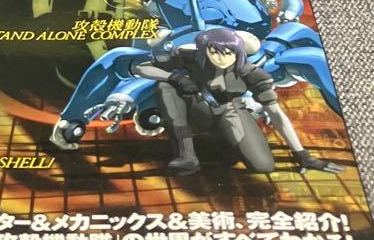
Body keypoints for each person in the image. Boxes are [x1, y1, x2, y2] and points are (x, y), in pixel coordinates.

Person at [138, 27, 345, 175]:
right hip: (195, 110)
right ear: (204, 50)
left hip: (230, 111)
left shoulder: (251, 73)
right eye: (214, 52)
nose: (220, 57)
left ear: (238, 52)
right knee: (165, 86)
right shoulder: (189, 57)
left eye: (228, 52)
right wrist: (174, 77)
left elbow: (276, 113)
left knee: (263, 166)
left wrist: (302, 154)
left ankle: (223, 143)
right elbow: (141, 67)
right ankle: (187, 155)